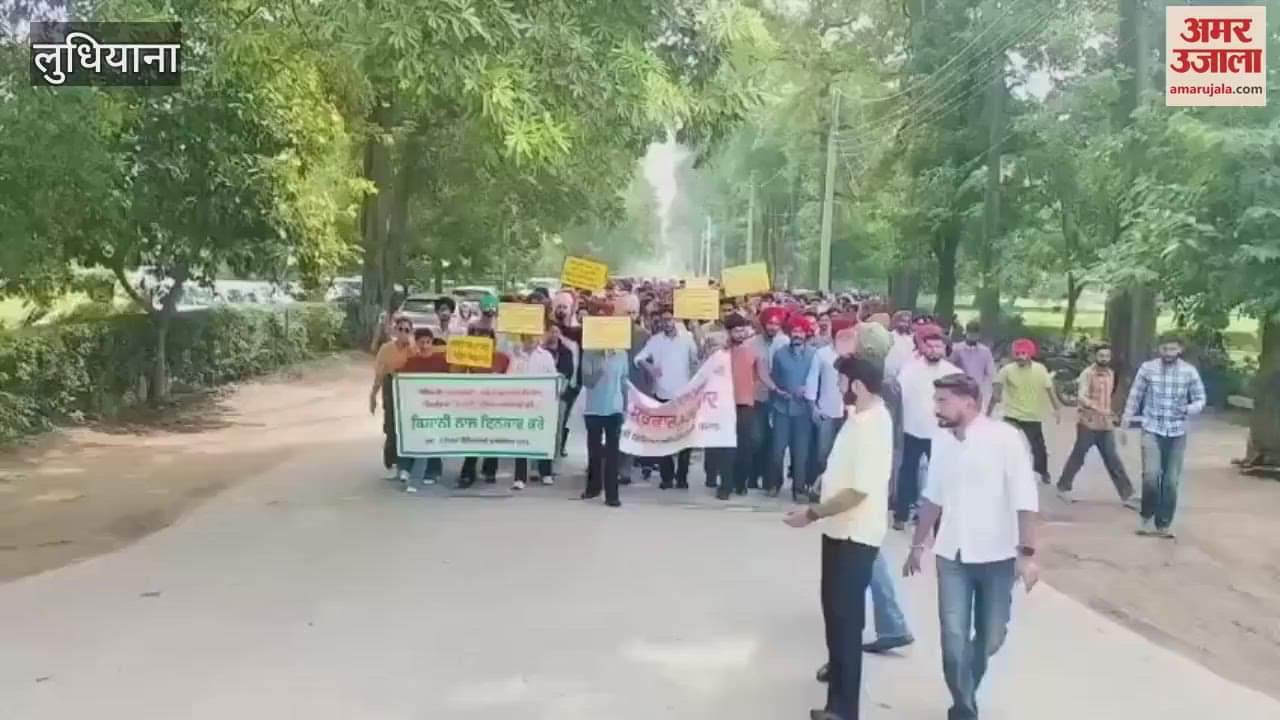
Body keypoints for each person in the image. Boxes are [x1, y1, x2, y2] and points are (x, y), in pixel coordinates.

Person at [903, 373, 1041, 720]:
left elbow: (1026, 498)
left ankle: (966, 694)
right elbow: (932, 498)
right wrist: (917, 546)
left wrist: (1027, 555)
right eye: (936, 401)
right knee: (953, 638)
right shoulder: (942, 441)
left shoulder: (1006, 439)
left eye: (943, 401)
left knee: (991, 637)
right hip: (952, 555)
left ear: (969, 402)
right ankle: (964, 708)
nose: (936, 408)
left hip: (998, 556)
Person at [783, 356, 893, 720]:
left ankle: (844, 708)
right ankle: (838, 682)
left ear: (857, 386)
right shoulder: (860, 418)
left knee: (846, 619)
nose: (839, 390)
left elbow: (857, 492)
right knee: (834, 611)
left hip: (853, 533)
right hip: (839, 530)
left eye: (842, 383)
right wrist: (823, 481)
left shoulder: (872, 425)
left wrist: (811, 514)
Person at [1123, 334, 1206, 538]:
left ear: (1180, 350)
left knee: (1170, 481)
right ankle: (1146, 518)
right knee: (1151, 476)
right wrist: (1126, 418)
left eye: (1172, 349)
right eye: (1165, 349)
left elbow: (1200, 398)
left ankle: (1164, 524)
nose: (1168, 353)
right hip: (1152, 428)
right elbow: (1136, 394)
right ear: (1159, 349)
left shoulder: (1189, 371)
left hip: (1177, 432)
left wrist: (1188, 409)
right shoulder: (1148, 368)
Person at [892, 329, 961, 529]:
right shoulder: (909, 370)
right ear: (922, 348)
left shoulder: (953, 373)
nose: (933, 350)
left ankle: (936, 518)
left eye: (938, 346)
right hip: (911, 429)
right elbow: (898, 398)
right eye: (929, 346)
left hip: (941, 433)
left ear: (945, 349)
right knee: (907, 473)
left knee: (938, 476)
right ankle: (901, 514)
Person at [1056, 344, 1137, 507]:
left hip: (1105, 424)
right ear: (1095, 357)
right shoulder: (1087, 373)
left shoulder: (1111, 373)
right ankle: (1063, 487)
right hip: (1088, 422)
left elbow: (1110, 396)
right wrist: (1097, 408)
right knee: (1078, 456)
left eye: (1107, 356)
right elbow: (1082, 397)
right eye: (1101, 356)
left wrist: (1110, 413)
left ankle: (1127, 495)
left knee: (1113, 459)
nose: (1104, 359)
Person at [634, 305, 699, 489]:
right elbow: (638, 359)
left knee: (685, 438)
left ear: (676, 320)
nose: (667, 323)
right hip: (662, 394)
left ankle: (682, 477)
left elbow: (696, 361)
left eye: (670, 319)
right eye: (664, 320)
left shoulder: (687, 339)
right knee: (664, 438)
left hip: (684, 394)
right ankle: (666, 476)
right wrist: (651, 368)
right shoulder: (655, 341)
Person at [988, 338, 1061, 485]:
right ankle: (1000, 471)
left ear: (1030, 354)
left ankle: (1043, 472)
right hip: (1011, 414)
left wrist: (1057, 409)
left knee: (1039, 448)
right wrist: (988, 412)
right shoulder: (1007, 370)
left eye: (1024, 353)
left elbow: (1050, 390)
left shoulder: (1040, 369)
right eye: (1018, 353)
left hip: (1031, 415)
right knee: (1004, 444)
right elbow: (996, 393)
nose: (1020, 356)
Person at [722, 313, 777, 499]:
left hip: (746, 404)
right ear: (728, 332)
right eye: (735, 330)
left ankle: (740, 483)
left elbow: (763, 375)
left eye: (741, 329)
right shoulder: (721, 353)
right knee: (726, 447)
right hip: (724, 405)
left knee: (745, 446)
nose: (739, 333)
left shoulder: (753, 352)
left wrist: (776, 389)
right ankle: (726, 485)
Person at [580, 311, 628, 508]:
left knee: (612, 453)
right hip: (593, 409)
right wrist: (601, 362)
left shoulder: (622, 353)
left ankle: (612, 494)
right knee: (594, 451)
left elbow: (624, 381)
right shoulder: (589, 352)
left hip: (614, 408)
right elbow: (587, 382)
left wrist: (626, 406)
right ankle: (593, 487)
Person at [456, 327, 511, 489]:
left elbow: (512, 381)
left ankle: (490, 470)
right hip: (474, 403)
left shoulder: (502, 359)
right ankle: (468, 472)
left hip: (496, 403)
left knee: (493, 437)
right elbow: (458, 377)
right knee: (473, 438)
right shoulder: (469, 357)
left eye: (488, 339)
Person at [770, 316, 817, 500]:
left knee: (801, 452)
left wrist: (807, 388)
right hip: (782, 408)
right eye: (794, 331)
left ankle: (798, 488)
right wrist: (778, 392)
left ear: (806, 334)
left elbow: (817, 380)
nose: (797, 335)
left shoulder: (814, 355)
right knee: (777, 449)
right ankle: (775, 483)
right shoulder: (780, 354)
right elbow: (774, 378)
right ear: (790, 333)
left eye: (801, 331)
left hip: (803, 410)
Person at [508, 327, 560, 491]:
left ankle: (546, 473)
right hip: (521, 405)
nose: (531, 340)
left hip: (541, 404)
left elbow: (553, 378)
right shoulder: (516, 356)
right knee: (521, 440)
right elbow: (509, 379)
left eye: (533, 336)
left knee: (543, 439)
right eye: (527, 337)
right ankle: (519, 477)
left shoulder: (545, 356)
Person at [370, 315, 417, 483]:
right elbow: (379, 373)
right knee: (391, 424)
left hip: (409, 388)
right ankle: (391, 459)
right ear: (395, 331)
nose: (403, 333)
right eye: (400, 329)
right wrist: (373, 395)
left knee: (406, 425)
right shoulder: (386, 348)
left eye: (407, 330)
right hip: (391, 384)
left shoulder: (414, 349)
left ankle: (405, 464)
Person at [751, 306, 790, 490]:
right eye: (770, 323)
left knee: (775, 442)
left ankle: (772, 481)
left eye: (776, 323)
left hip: (779, 399)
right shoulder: (752, 343)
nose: (773, 327)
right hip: (758, 397)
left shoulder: (785, 342)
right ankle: (752, 476)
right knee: (757, 438)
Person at [805, 318, 845, 496]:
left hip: (849, 411)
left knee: (843, 453)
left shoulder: (855, 356)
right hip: (826, 410)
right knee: (823, 452)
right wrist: (813, 406)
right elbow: (812, 380)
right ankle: (818, 487)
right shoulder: (822, 354)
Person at [948, 320, 996, 408]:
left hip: (977, 391)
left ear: (979, 334)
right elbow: (949, 367)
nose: (973, 337)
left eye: (975, 334)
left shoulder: (985, 351)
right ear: (966, 333)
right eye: (971, 334)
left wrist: (990, 390)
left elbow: (991, 372)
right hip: (959, 389)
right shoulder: (957, 348)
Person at [884, 310, 917, 379]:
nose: (905, 324)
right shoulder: (888, 336)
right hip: (889, 375)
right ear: (895, 322)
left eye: (907, 322)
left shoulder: (911, 339)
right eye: (902, 321)